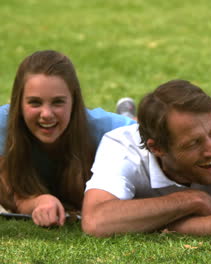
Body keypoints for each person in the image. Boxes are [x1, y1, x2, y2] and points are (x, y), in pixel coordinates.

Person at [81, 80, 211, 238]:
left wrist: (170, 226)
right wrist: (191, 200)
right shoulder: (120, 145)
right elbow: (97, 220)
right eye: (193, 143)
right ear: (157, 148)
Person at [0, 50, 135, 227]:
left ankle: (128, 113)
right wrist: (38, 202)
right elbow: (10, 195)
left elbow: (151, 135)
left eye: (57, 102)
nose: (46, 114)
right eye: (35, 102)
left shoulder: (104, 129)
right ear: (19, 103)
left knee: (134, 122)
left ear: (74, 101)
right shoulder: (4, 125)